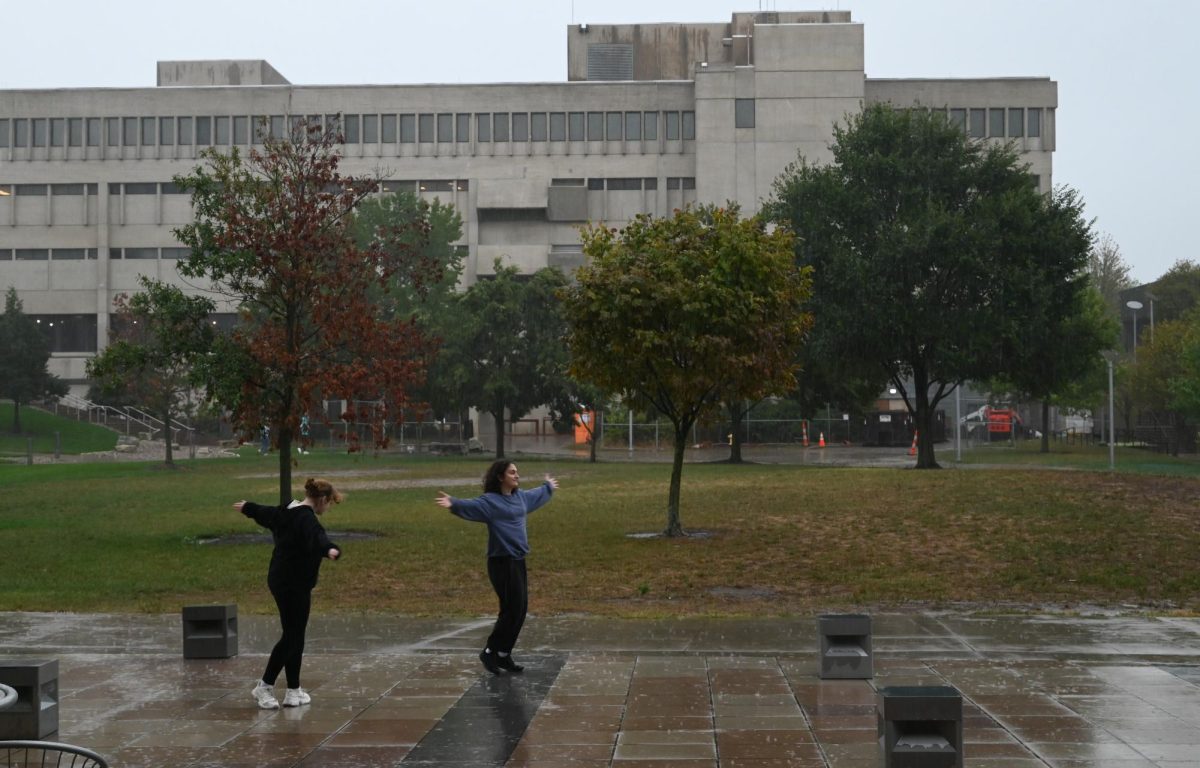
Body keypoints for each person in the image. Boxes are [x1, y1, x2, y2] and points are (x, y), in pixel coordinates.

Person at [436, 460, 559, 675]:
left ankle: (503, 654)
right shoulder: (490, 502)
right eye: (512, 472)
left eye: (517, 472)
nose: (517, 475)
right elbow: (471, 506)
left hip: (518, 560)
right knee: (511, 610)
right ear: (501, 477)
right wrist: (453, 503)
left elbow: (537, 494)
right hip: (501, 562)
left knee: (520, 609)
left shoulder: (521, 498)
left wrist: (548, 486)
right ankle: (490, 651)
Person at [234, 478, 343, 709]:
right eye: (329, 503)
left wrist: (248, 507)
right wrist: (330, 549)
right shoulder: (307, 519)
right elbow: (317, 537)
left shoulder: (287, 509)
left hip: (283, 580)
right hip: (292, 584)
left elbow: (265, 513)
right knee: (292, 637)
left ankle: (294, 690)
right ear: (322, 500)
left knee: (295, 634)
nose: (328, 508)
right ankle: (264, 686)